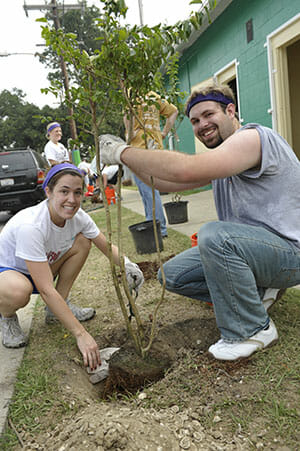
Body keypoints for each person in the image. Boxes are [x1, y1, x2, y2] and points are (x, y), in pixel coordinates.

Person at [98, 82, 300, 362]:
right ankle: (257, 293)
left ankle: (253, 330)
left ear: (230, 110)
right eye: (194, 121)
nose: (201, 125)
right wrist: (131, 162)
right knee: (172, 275)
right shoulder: (226, 159)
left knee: (216, 236)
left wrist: (122, 152)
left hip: (291, 253)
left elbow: (185, 169)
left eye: (208, 115)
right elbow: (165, 181)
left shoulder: (254, 138)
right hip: (258, 252)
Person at [0, 163, 144, 370]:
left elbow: (106, 246)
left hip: (42, 267)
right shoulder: (31, 226)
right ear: (48, 192)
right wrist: (81, 334)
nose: (72, 200)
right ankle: (7, 318)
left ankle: (56, 310)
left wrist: (129, 265)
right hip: (9, 275)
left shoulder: (79, 218)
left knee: (84, 240)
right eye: (64, 191)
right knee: (18, 291)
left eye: (78, 192)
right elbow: (45, 289)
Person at [123, 91, 178, 238]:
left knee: (149, 192)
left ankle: (159, 230)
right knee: (148, 191)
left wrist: (128, 137)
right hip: (155, 147)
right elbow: (174, 112)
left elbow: (128, 127)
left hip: (140, 150)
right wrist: (164, 133)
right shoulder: (154, 96)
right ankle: (152, 224)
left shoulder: (130, 95)